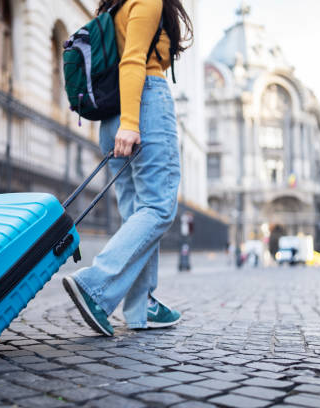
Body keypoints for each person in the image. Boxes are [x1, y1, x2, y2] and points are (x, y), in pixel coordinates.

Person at [62, 0, 193, 336]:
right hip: (143, 104)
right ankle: (95, 285)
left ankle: (141, 306)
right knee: (158, 208)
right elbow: (133, 60)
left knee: (138, 212)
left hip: (113, 116)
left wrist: (124, 124)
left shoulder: (114, 7)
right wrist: (132, 124)